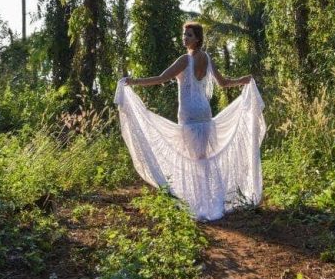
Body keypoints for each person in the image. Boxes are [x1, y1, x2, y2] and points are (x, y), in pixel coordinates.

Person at [114, 23, 266, 221]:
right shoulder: (207, 58)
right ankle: (214, 201)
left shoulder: (185, 59)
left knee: (196, 161)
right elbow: (224, 83)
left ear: (197, 39)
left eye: (189, 35)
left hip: (189, 115)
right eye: (184, 35)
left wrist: (132, 82)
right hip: (204, 112)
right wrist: (242, 80)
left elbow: (161, 78)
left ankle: (202, 206)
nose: (185, 38)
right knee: (204, 159)